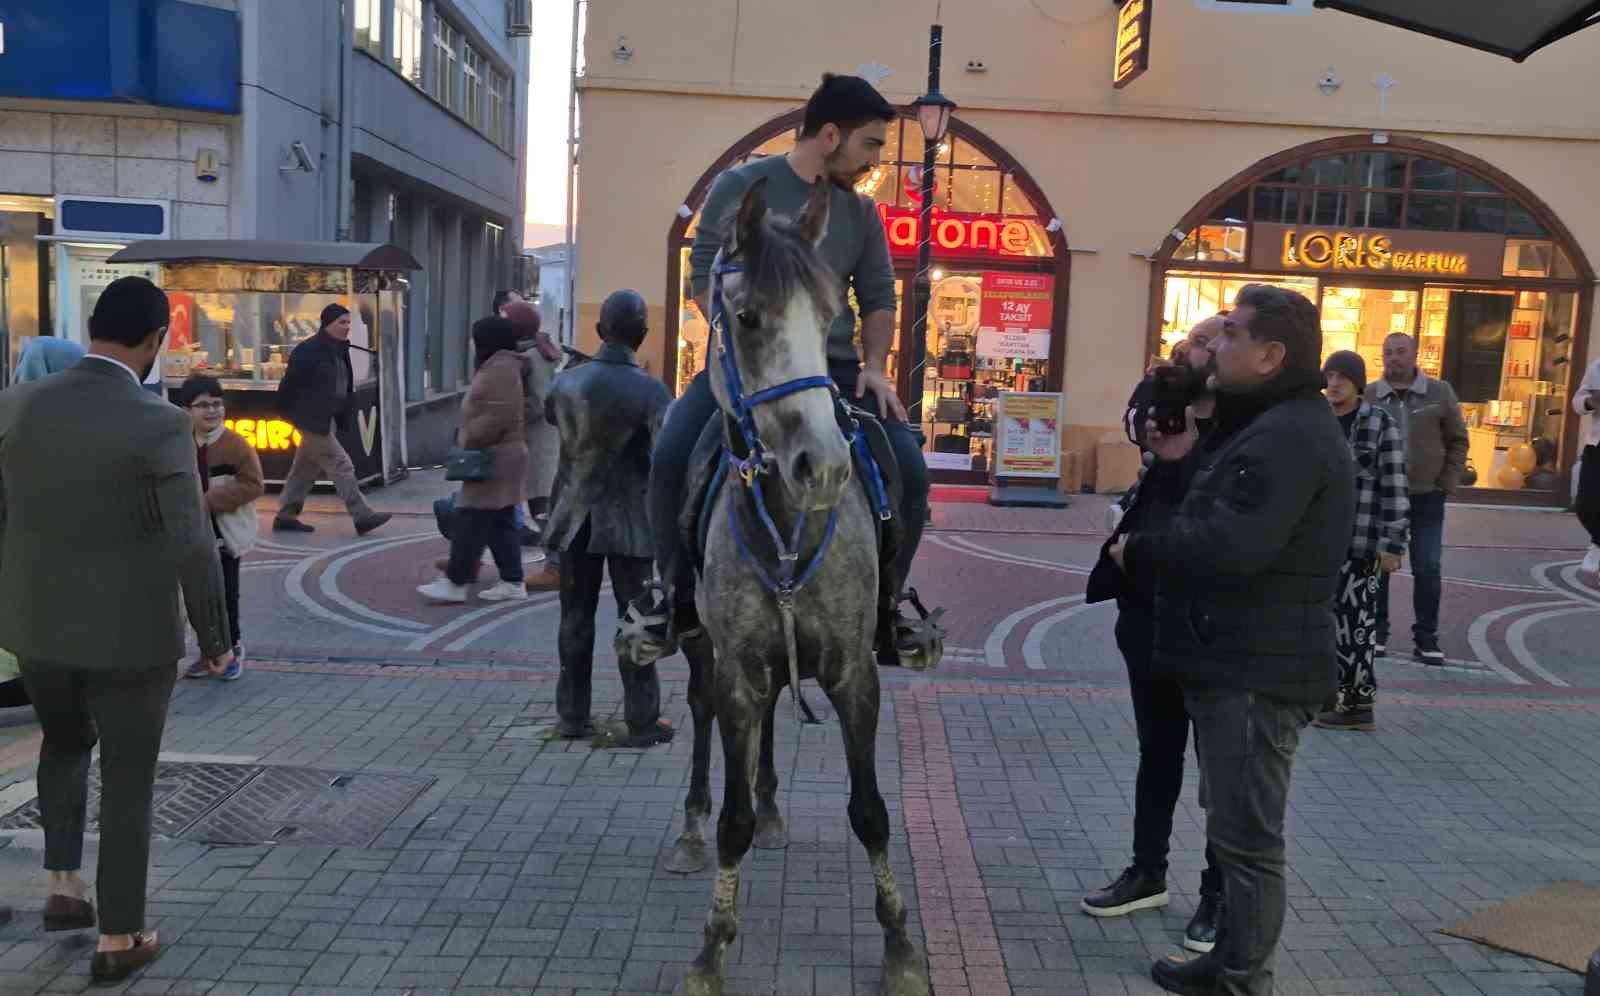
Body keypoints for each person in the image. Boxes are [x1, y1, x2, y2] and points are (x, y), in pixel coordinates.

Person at [629, 72, 937, 671]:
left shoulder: (860, 213)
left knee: (914, 476)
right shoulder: (741, 187)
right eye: (870, 143)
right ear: (829, 135)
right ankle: (673, 598)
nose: (876, 157)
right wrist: (747, 344)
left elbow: (878, 297)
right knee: (669, 457)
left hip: (838, 370)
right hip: (748, 369)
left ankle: (887, 608)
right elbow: (701, 277)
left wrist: (876, 367)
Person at [1110, 285, 1355, 996]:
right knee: (1233, 832)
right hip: (1239, 656)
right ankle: (1229, 961)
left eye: (1232, 335)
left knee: (1249, 844)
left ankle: (1245, 979)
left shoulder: (1286, 435)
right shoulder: (1270, 423)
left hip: (1258, 665)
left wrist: (1142, 550)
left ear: (1271, 355)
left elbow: (1229, 543)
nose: (1215, 345)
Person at [0, 276, 233, 982]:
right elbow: (191, 541)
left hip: (36, 623)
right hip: (133, 631)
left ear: (95, 325)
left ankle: (64, 889)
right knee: (129, 776)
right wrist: (215, 636)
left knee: (64, 742)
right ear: (156, 339)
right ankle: (121, 934)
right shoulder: (159, 423)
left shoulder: (16, 403)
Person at [1084, 315, 1226, 954]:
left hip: (1211, 627)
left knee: (1220, 770)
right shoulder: (1170, 405)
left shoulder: (1246, 425)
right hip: (1147, 617)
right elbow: (1151, 477)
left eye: (1206, 339)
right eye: (1192, 340)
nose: (1191, 348)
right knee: (1157, 752)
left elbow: (1216, 523)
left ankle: (1218, 895)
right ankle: (1148, 870)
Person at [546, 290, 674, 745]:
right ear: (642, 335)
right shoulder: (652, 390)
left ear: (600, 331)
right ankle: (641, 719)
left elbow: (551, 419)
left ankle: (572, 717)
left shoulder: (566, 382)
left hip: (573, 516)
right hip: (629, 520)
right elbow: (664, 456)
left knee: (573, 619)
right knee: (636, 618)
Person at [1315, 351, 1408, 732]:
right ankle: (1326, 694)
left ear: (1358, 383)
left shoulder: (1379, 423)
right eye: (1330, 376)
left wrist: (1393, 544)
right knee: (1319, 622)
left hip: (1362, 543)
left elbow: (1396, 486)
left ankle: (1358, 705)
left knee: (1355, 627)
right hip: (1317, 544)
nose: (1334, 383)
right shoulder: (1316, 420)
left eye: (1343, 377)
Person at [1364, 333, 1468, 664]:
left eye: (1400, 351)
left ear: (1414, 354)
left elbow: (1458, 441)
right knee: (1378, 565)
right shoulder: (1370, 395)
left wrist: (1446, 484)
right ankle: (1376, 633)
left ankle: (1426, 638)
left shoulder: (1439, 392)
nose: (1393, 358)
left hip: (1427, 496)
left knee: (1428, 567)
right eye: (1388, 352)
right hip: (1382, 497)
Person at [418, 317, 530, 604]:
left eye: (474, 337)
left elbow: (498, 415)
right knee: (500, 521)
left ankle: (456, 583)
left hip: (494, 455)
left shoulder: (500, 369)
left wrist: (468, 439)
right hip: (503, 454)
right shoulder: (500, 366)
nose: (470, 343)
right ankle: (512, 581)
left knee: (470, 515)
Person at [271, 304, 392, 536]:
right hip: (312, 419)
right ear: (327, 324)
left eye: (348, 323)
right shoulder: (309, 350)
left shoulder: (339, 348)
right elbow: (290, 383)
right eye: (341, 323)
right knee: (341, 464)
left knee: (305, 467)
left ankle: (286, 514)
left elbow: (342, 384)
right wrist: (286, 412)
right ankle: (362, 515)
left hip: (326, 417)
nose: (346, 327)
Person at [178, 375, 265, 681]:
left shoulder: (236, 444)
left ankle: (232, 649)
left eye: (217, 404)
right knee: (197, 596)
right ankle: (208, 652)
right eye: (203, 405)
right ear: (188, 410)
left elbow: (254, 484)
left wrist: (209, 500)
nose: (212, 411)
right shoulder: (181, 443)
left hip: (226, 533)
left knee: (226, 594)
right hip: (191, 534)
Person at [506, 300, 563, 590]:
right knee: (539, 502)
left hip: (539, 440)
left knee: (542, 504)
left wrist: (508, 412)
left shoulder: (532, 357)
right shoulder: (537, 351)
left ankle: (556, 566)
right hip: (541, 439)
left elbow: (540, 401)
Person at [1571, 358, 1600, 584]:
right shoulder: (1598, 366)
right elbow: (1577, 401)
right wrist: (1591, 401)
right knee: (1584, 505)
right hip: (1597, 446)